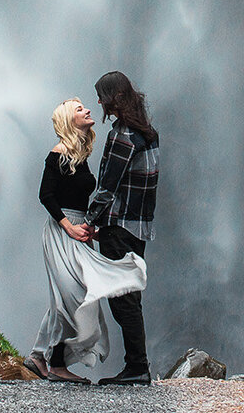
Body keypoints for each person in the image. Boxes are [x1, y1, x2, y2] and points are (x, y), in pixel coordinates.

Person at [24, 98, 147, 384]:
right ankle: (52, 363)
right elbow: (46, 195)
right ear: (69, 119)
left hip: (80, 228)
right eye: (79, 109)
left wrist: (89, 227)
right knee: (72, 296)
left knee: (71, 296)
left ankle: (42, 358)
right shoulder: (58, 153)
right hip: (62, 229)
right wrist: (68, 226)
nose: (88, 110)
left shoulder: (79, 153)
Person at [86, 71, 159, 386]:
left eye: (100, 95)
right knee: (130, 295)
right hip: (139, 228)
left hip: (119, 228)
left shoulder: (122, 135)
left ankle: (137, 368)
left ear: (113, 97)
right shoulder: (148, 133)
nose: (98, 102)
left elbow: (107, 187)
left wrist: (89, 224)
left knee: (122, 298)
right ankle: (137, 366)